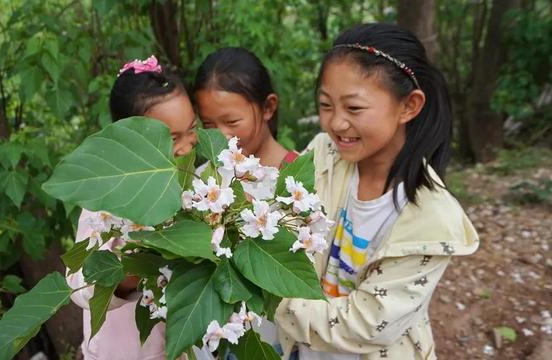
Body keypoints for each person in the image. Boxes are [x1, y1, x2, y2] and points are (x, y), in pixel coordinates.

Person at [275, 23, 479, 360]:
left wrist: (271, 296)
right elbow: (286, 227)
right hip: (305, 349)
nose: (337, 123)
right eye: (326, 105)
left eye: (354, 108)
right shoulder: (324, 153)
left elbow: (367, 325)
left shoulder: (433, 221)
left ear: (409, 106)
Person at [67, 55, 197, 360]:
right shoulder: (107, 200)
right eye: (172, 137)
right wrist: (127, 273)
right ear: (129, 140)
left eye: (192, 130)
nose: (187, 146)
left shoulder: (196, 186)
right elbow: (77, 282)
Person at [194, 47, 297, 169]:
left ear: (267, 107)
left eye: (232, 122)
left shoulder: (306, 175)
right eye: (208, 124)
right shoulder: (204, 180)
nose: (221, 137)